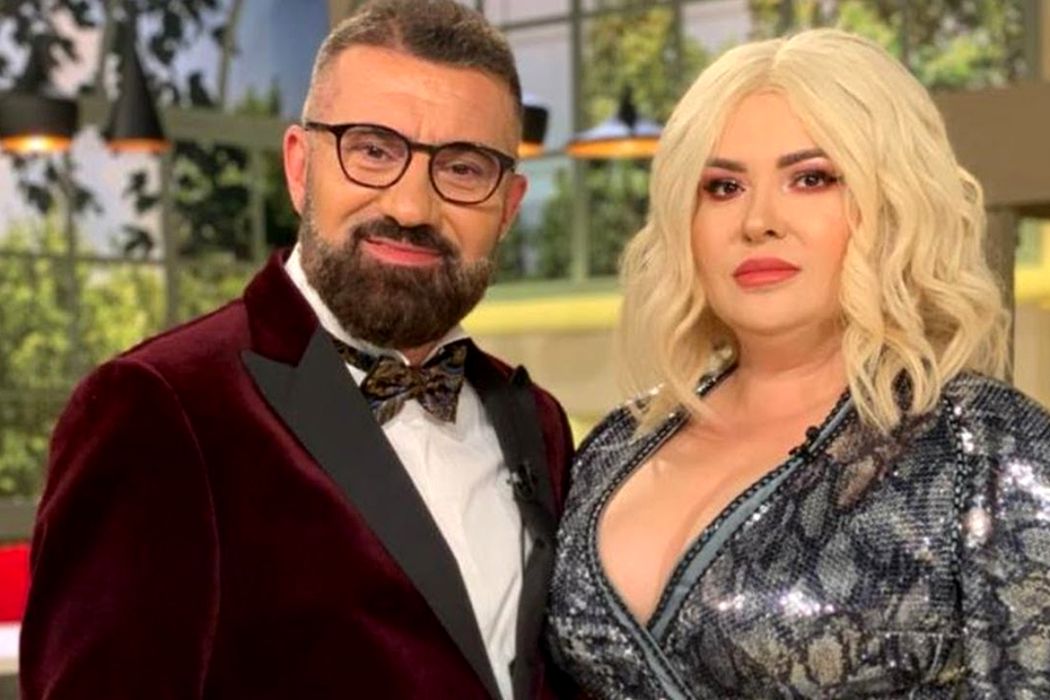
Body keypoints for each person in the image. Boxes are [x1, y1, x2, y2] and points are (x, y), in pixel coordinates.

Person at [21, 2, 575, 698]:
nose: (411, 207)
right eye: (373, 151)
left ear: (509, 206)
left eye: (464, 169)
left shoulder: (536, 422)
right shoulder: (161, 408)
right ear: (299, 166)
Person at [547, 28, 1050, 699]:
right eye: (722, 187)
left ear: (892, 202)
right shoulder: (617, 445)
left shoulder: (986, 446)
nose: (758, 221)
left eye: (811, 179)